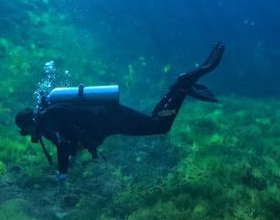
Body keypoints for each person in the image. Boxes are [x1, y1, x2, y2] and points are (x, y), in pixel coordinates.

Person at [15, 42, 225, 179]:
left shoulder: (48, 119)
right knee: (156, 124)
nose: (29, 136)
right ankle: (180, 87)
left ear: (29, 124)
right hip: (106, 117)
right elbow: (71, 143)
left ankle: (182, 84)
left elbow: (62, 144)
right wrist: (74, 158)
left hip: (108, 118)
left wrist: (62, 175)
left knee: (159, 126)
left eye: (26, 131)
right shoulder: (49, 120)